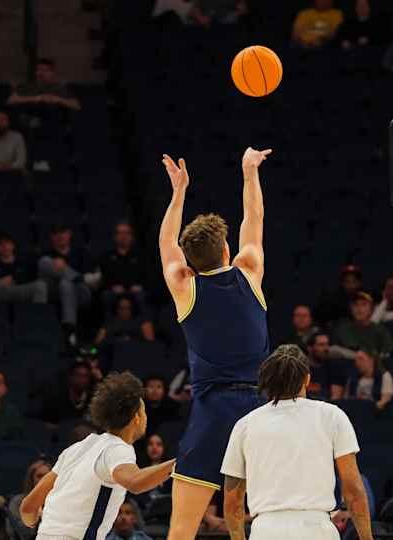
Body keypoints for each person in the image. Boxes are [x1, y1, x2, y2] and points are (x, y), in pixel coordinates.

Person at [157, 148, 271, 539]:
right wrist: (249, 171)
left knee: (181, 530)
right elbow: (253, 218)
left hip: (212, 412)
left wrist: (178, 192)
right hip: (261, 409)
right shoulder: (250, 270)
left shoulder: (184, 286)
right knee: (275, 517)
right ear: (227, 251)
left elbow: (166, 241)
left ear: (189, 263)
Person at [221, 345, 374, 540]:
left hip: (265, 531)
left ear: (268, 381)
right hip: (316, 529)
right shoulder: (332, 415)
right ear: (307, 379)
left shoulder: (244, 425)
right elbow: (353, 490)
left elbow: (232, 503)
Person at [19, 372, 175, 540]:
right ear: (136, 417)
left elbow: (27, 508)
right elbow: (135, 482)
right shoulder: (117, 448)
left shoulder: (77, 448)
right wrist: (179, 464)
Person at [38, 223, 100, 347]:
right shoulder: (46, 254)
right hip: (54, 293)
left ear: (69, 234)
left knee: (66, 283)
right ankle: (70, 330)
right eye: (56, 233)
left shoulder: (82, 253)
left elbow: (93, 277)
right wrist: (74, 275)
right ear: (51, 237)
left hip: (81, 293)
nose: (60, 236)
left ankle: (69, 330)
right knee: (44, 262)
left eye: (63, 232)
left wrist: (64, 268)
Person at [0, 234, 47, 304]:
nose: (4, 247)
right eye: (0, 244)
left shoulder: (24, 260)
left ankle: (37, 313)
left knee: (40, 285)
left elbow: (32, 275)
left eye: (7, 243)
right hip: (3, 291)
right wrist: (0, 281)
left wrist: (14, 278)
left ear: (13, 245)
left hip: (21, 288)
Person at [332, 292, 393, 359]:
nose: (359, 308)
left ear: (371, 309)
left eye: (363, 304)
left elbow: (389, 353)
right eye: (355, 305)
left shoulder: (380, 329)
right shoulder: (343, 329)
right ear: (351, 309)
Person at [100, 221, 147, 311]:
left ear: (132, 236)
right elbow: (104, 277)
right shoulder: (106, 257)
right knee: (106, 296)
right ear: (115, 236)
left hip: (135, 290)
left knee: (142, 295)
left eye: (126, 233)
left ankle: (144, 324)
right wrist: (112, 287)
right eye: (120, 233)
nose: (123, 236)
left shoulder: (141, 257)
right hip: (113, 291)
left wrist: (138, 286)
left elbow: (146, 276)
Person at [40, 361, 99, 425]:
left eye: (85, 376)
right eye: (77, 375)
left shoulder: (93, 399)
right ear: (70, 377)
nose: (81, 379)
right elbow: (48, 423)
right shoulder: (56, 398)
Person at [8, 460, 52, 540]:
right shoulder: (18, 502)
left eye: (47, 476)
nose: (44, 479)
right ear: (31, 479)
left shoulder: (57, 502)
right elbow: (23, 533)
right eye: (39, 476)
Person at [306, 332, 346, 401]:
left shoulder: (334, 368)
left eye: (327, 345)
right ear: (310, 348)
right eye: (321, 345)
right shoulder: (301, 369)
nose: (326, 348)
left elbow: (335, 398)